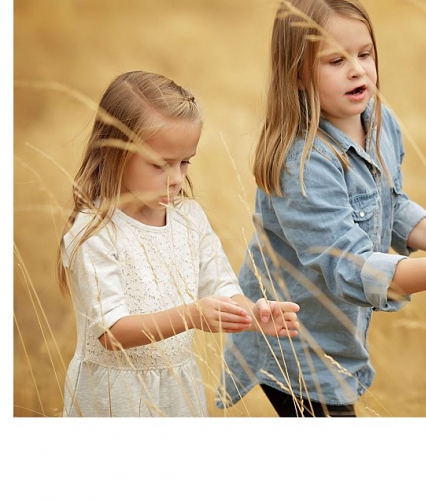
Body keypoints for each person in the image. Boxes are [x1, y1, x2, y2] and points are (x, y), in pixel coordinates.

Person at [218, 0, 426, 417]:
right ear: (297, 73)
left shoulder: (378, 120)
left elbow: (389, 201)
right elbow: (347, 265)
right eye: (336, 61)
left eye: (365, 54)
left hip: (337, 339)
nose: (358, 71)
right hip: (294, 347)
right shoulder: (302, 164)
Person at [57, 70, 301, 417]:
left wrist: (254, 314)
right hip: (114, 398)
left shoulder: (189, 218)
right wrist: (191, 315)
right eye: (160, 164)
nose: (176, 179)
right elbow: (111, 333)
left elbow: (219, 284)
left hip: (177, 392)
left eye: (185, 162)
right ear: (112, 152)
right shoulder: (95, 232)